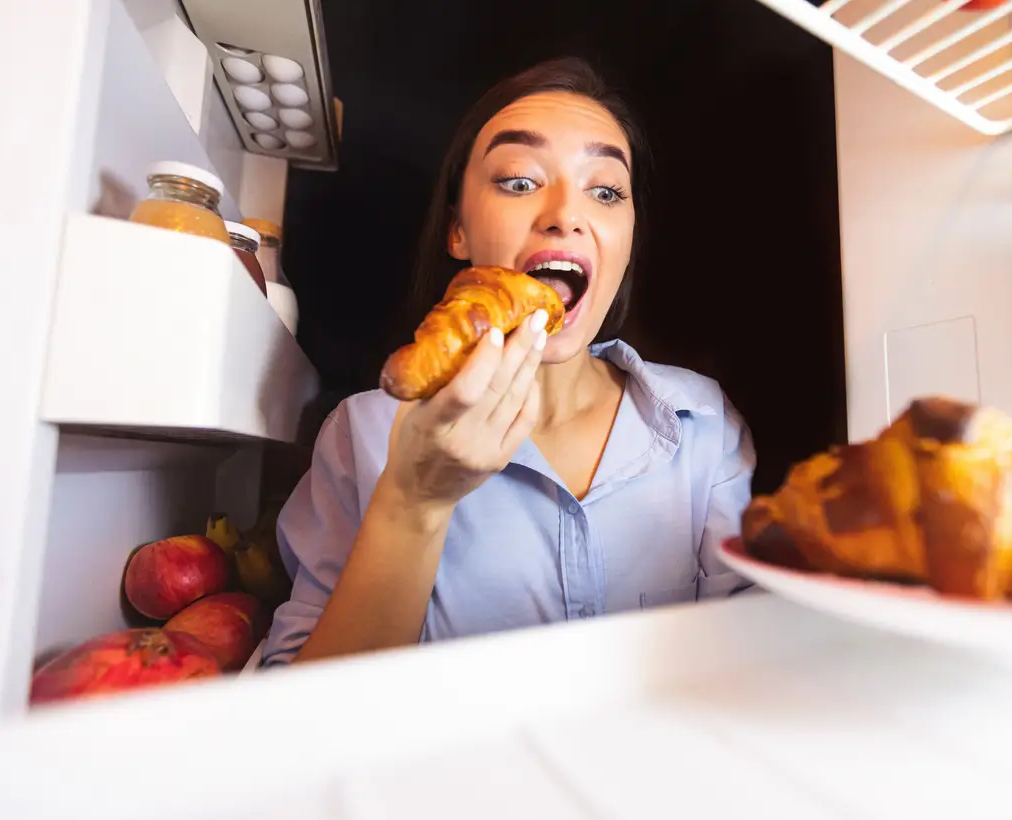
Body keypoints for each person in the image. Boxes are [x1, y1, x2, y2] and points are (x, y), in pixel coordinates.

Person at [261, 57, 755, 666]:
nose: (565, 214)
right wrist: (412, 503)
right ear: (457, 232)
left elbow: (748, 662)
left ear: (628, 235)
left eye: (605, 190)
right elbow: (298, 723)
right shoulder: (362, 437)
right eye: (519, 180)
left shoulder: (701, 427)